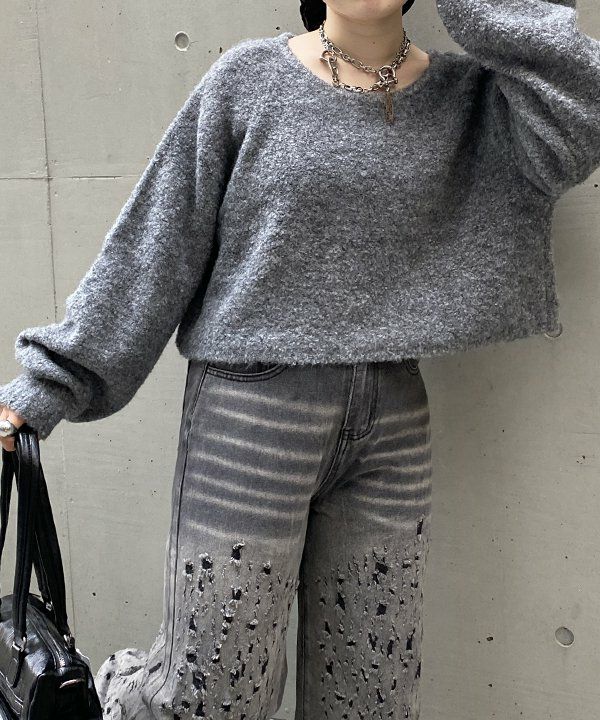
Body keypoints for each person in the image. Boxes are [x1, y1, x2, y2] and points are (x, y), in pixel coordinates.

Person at [1, 0, 599, 717]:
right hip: (251, 418)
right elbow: (157, 241)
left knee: (371, 700)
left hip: (393, 421)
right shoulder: (249, 79)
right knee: (213, 697)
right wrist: (48, 384)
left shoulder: (470, 98)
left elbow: (582, 112)